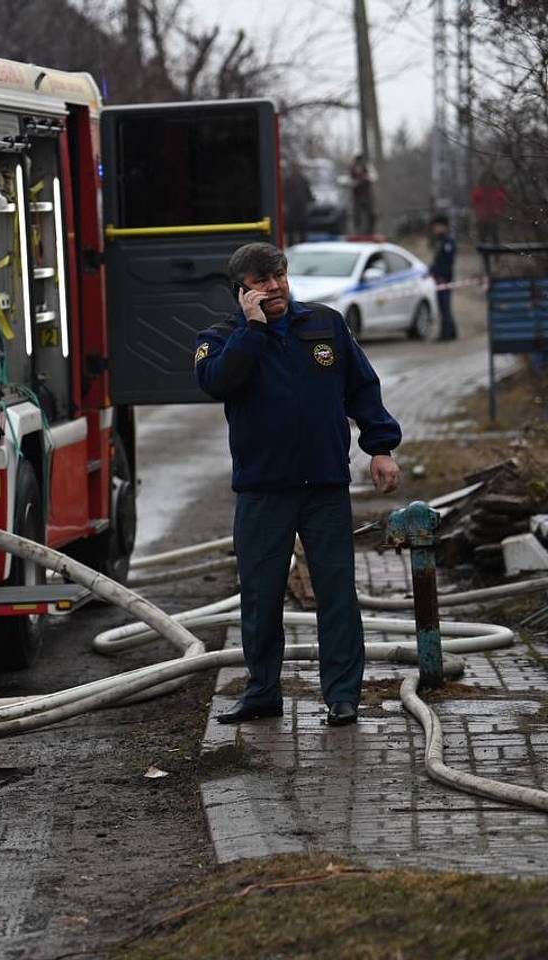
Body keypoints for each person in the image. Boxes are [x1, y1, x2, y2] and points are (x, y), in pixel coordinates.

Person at [194, 242, 402, 728]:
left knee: (337, 593)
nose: (275, 288)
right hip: (263, 489)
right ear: (241, 292)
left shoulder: (325, 324)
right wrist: (254, 330)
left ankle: (343, 696)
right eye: (262, 283)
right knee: (262, 595)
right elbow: (218, 383)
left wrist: (381, 447)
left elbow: (361, 387)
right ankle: (263, 691)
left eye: (280, 277)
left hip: (325, 484)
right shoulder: (221, 337)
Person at [430, 214, 458, 341]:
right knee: (443, 306)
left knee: (445, 306)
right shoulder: (440, 241)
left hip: (444, 279)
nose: (435, 229)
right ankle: (451, 332)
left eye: (438, 226)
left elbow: (448, 262)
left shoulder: (448, 242)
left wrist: (442, 275)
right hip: (439, 278)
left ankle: (446, 334)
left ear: (444, 227)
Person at [471, 172, 508, 248]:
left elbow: (503, 201)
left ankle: (494, 255)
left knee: (492, 237)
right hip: (485, 217)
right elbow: (475, 201)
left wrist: (499, 211)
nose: (488, 182)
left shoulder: (495, 190)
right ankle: (488, 256)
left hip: (492, 217)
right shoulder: (481, 189)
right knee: (486, 238)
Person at [283, 161, 313, 246]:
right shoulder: (287, 180)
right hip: (292, 208)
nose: (296, 170)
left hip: (302, 208)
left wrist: (310, 200)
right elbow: (284, 193)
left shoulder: (303, 180)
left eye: (297, 168)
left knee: (303, 228)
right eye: (294, 168)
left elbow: (308, 192)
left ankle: (303, 244)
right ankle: (291, 245)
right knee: (291, 229)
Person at [349, 154, 375, 235]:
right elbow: (349, 181)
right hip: (357, 196)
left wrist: (365, 178)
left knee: (371, 213)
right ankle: (357, 231)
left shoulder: (367, 168)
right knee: (357, 215)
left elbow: (373, 177)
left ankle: (370, 231)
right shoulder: (352, 169)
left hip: (366, 196)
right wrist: (356, 182)